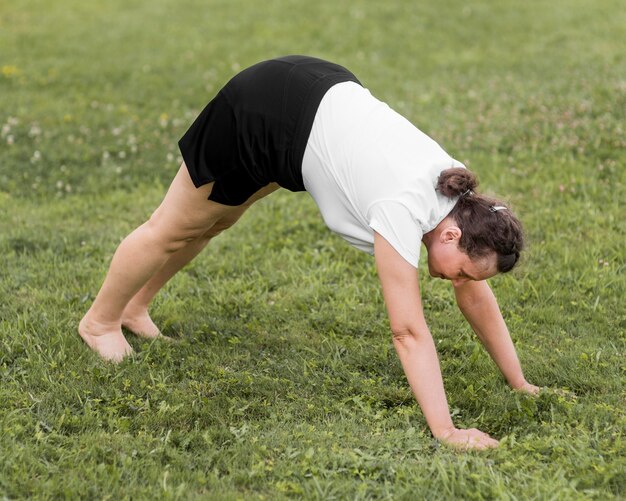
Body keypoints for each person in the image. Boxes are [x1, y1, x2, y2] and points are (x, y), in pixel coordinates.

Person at [79, 55, 540, 450]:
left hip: (307, 104)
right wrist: (446, 430)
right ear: (451, 238)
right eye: (462, 273)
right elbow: (407, 331)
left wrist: (519, 382)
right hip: (267, 110)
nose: (461, 284)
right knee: (172, 228)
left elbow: (476, 295)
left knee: (213, 221)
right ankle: (99, 323)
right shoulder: (403, 208)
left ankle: (134, 308)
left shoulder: (459, 198)